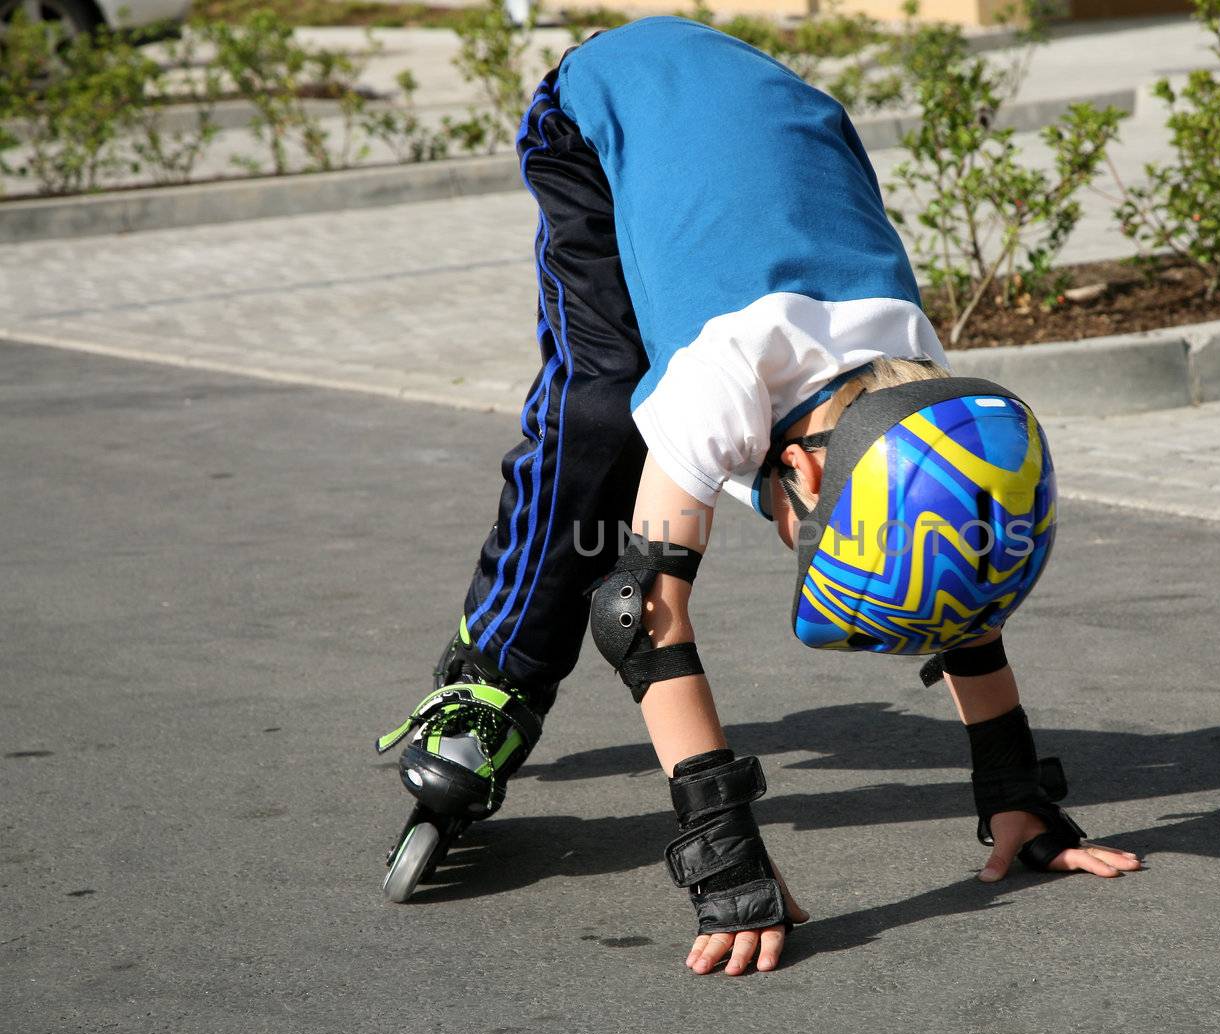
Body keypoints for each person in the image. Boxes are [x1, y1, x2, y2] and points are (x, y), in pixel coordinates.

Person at [375, 15, 1140, 975]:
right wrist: (721, 851)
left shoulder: (920, 390)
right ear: (809, 474)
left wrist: (1013, 782)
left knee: (642, 422)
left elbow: (950, 547)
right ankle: (489, 678)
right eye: (812, 537)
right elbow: (637, 612)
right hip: (612, 99)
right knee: (603, 414)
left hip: (779, 116)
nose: (797, 540)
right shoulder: (721, 382)